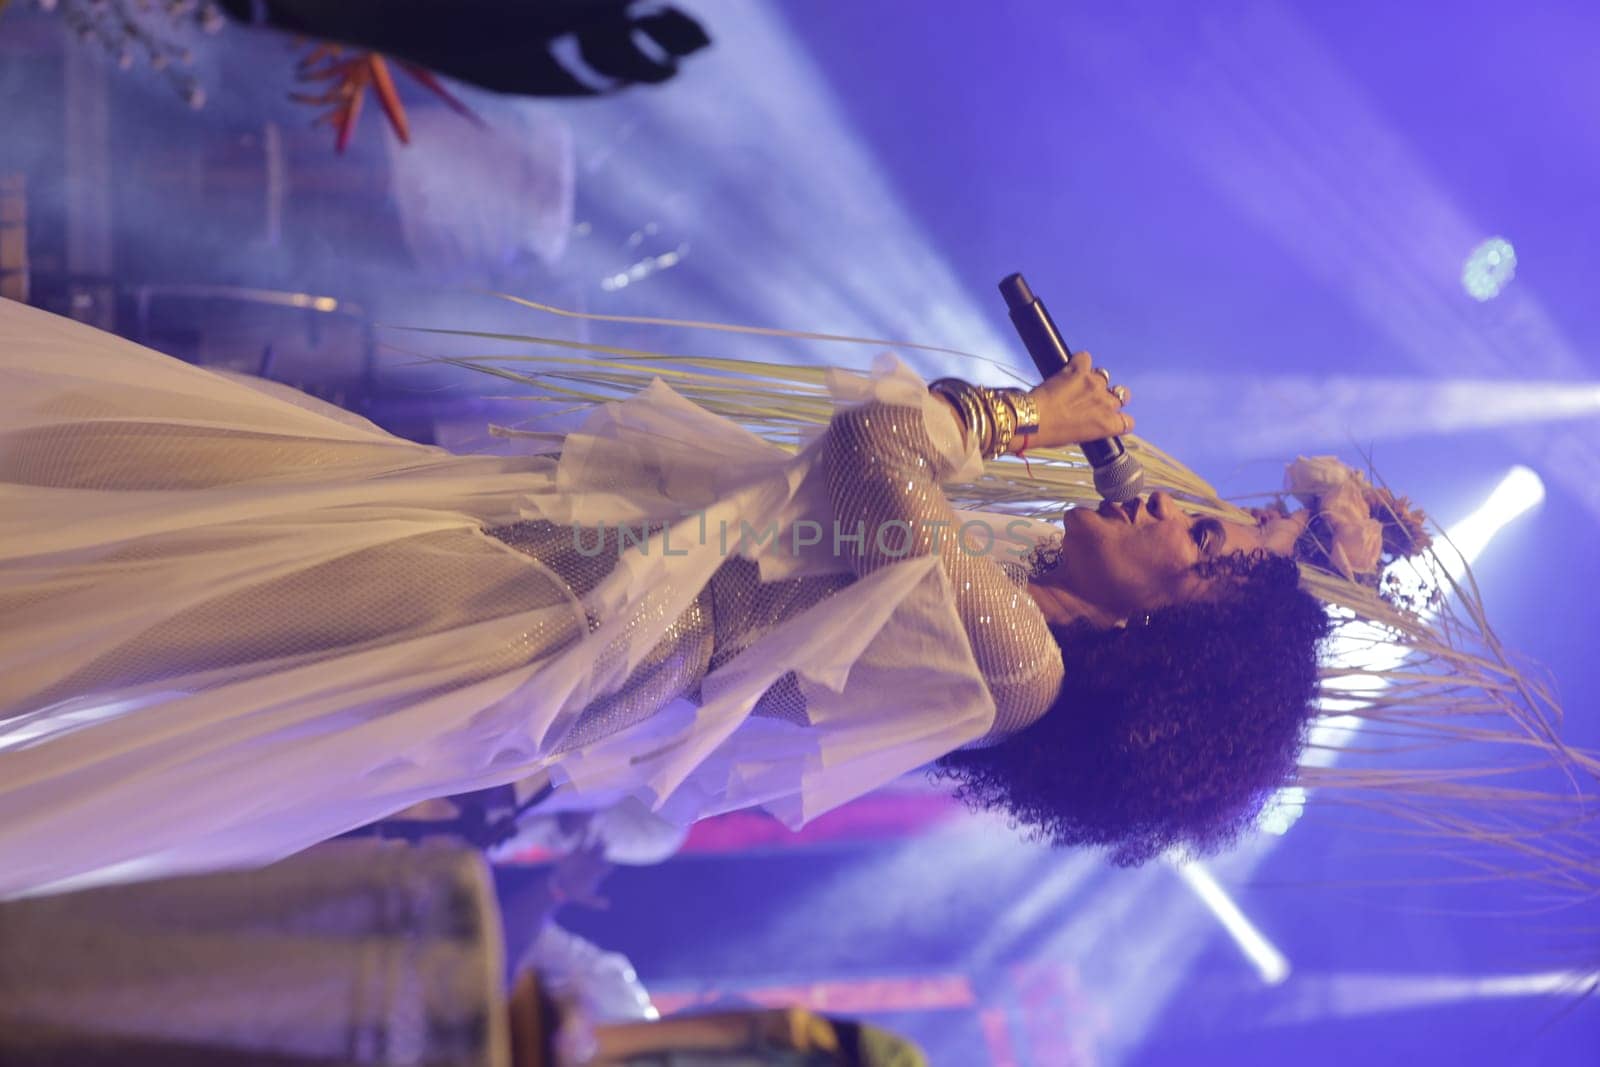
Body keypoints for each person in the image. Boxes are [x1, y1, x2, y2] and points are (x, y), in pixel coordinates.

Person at [0, 296, 1436, 898]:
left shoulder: (1016, 667)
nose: (1158, 503)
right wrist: (1330, 525)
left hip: (518, 628)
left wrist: (1027, 413)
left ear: (1161, 630)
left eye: (1196, 542)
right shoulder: (1004, 618)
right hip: (535, 574)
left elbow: (871, 452)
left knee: (156, 589)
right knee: (153, 496)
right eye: (1202, 509)